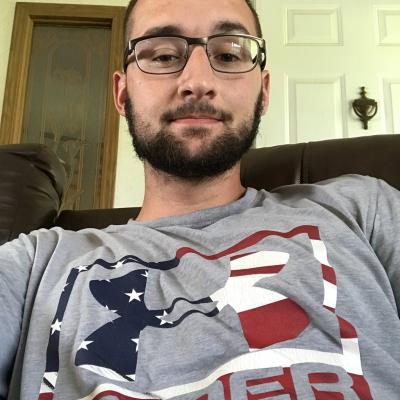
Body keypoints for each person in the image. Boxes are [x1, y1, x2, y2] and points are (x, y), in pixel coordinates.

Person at [0, 0, 399, 398]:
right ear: (122, 94)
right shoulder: (35, 263)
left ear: (263, 92)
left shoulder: (361, 209)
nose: (197, 81)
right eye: (162, 55)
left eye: (228, 54)